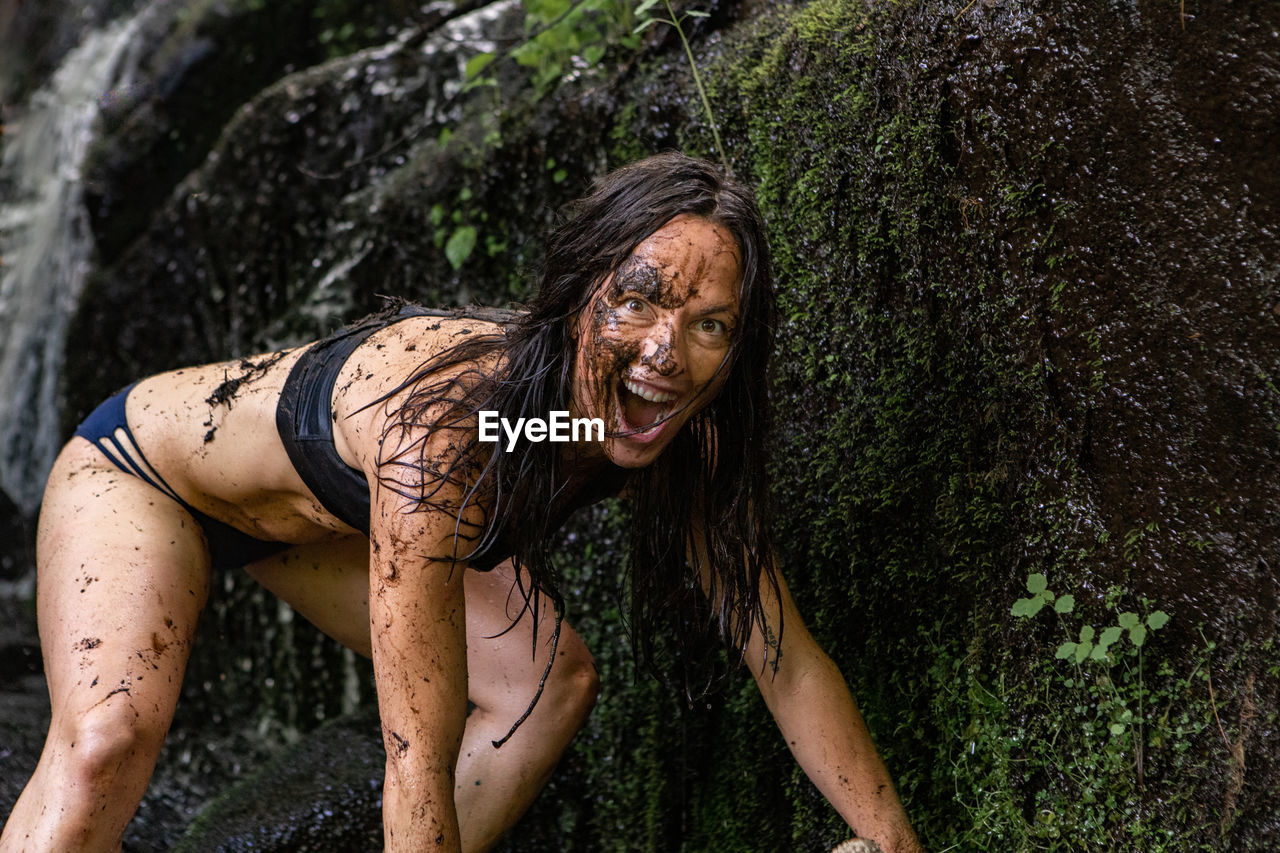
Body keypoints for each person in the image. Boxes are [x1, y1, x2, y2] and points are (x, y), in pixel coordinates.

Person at [0, 152, 922, 853]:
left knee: (545, 683)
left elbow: (786, 659)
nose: (663, 352)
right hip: (147, 478)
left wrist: (891, 842)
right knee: (108, 740)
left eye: (709, 324)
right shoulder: (447, 423)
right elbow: (416, 749)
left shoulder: (666, 430)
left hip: (314, 522)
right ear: (579, 297)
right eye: (636, 303)